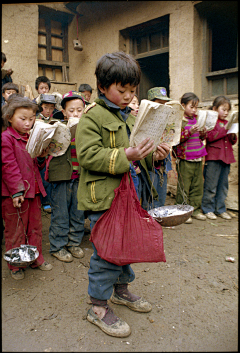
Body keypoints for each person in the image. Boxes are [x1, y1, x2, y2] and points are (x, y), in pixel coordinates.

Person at [75, 51, 170, 337]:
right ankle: (98, 306)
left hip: (129, 193)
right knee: (107, 251)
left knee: (126, 243)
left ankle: (120, 290)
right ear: (102, 87)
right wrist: (124, 154)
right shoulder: (92, 117)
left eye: (132, 90)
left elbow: (136, 152)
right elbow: (88, 155)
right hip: (104, 196)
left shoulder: (128, 116)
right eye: (122, 90)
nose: (129, 96)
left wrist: (154, 154)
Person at [1, 96, 53, 280]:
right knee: (15, 229)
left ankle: (35, 258)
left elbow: (35, 165)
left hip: (34, 191)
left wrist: (41, 157)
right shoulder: (6, 138)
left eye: (31, 119)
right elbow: (8, 166)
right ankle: (15, 265)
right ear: (9, 117)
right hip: (14, 194)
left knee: (35, 227)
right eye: (23, 119)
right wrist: (16, 191)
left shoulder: (31, 137)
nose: (28, 123)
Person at [42, 91, 86, 262]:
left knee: (77, 212)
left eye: (79, 110)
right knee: (60, 214)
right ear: (64, 111)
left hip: (80, 176)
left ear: (84, 110)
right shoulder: (55, 127)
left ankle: (74, 242)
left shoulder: (87, 129)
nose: (75, 114)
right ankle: (58, 246)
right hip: (60, 177)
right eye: (71, 110)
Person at [173, 92, 207, 223]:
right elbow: (175, 139)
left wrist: (203, 133)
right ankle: (183, 212)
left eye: (196, 107)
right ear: (183, 106)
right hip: (185, 158)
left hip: (198, 157)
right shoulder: (179, 121)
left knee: (197, 186)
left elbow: (201, 138)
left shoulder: (198, 119)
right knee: (184, 186)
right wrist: (189, 132)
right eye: (191, 107)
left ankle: (195, 210)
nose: (194, 110)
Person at [201, 96, 237, 220]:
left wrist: (232, 134)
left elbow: (232, 142)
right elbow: (210, 137)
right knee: (211, 185)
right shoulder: (211, 122)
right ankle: (208, 208)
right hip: (214, 158)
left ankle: (220, 209)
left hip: (226, 158)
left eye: (228, 110)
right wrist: (224, 130)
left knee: (223, 185)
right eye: (223, 109)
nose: (226, 113)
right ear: (215, 108)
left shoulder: (228, 123)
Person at [146, 87, 173, 208]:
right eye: (159, 104)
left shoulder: (167, 120)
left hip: (164, 162)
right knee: (151, 192)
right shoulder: (144, 121)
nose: (163, 108)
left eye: (165, 104)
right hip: (150, 162)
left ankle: (159, 218)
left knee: (161, 190)